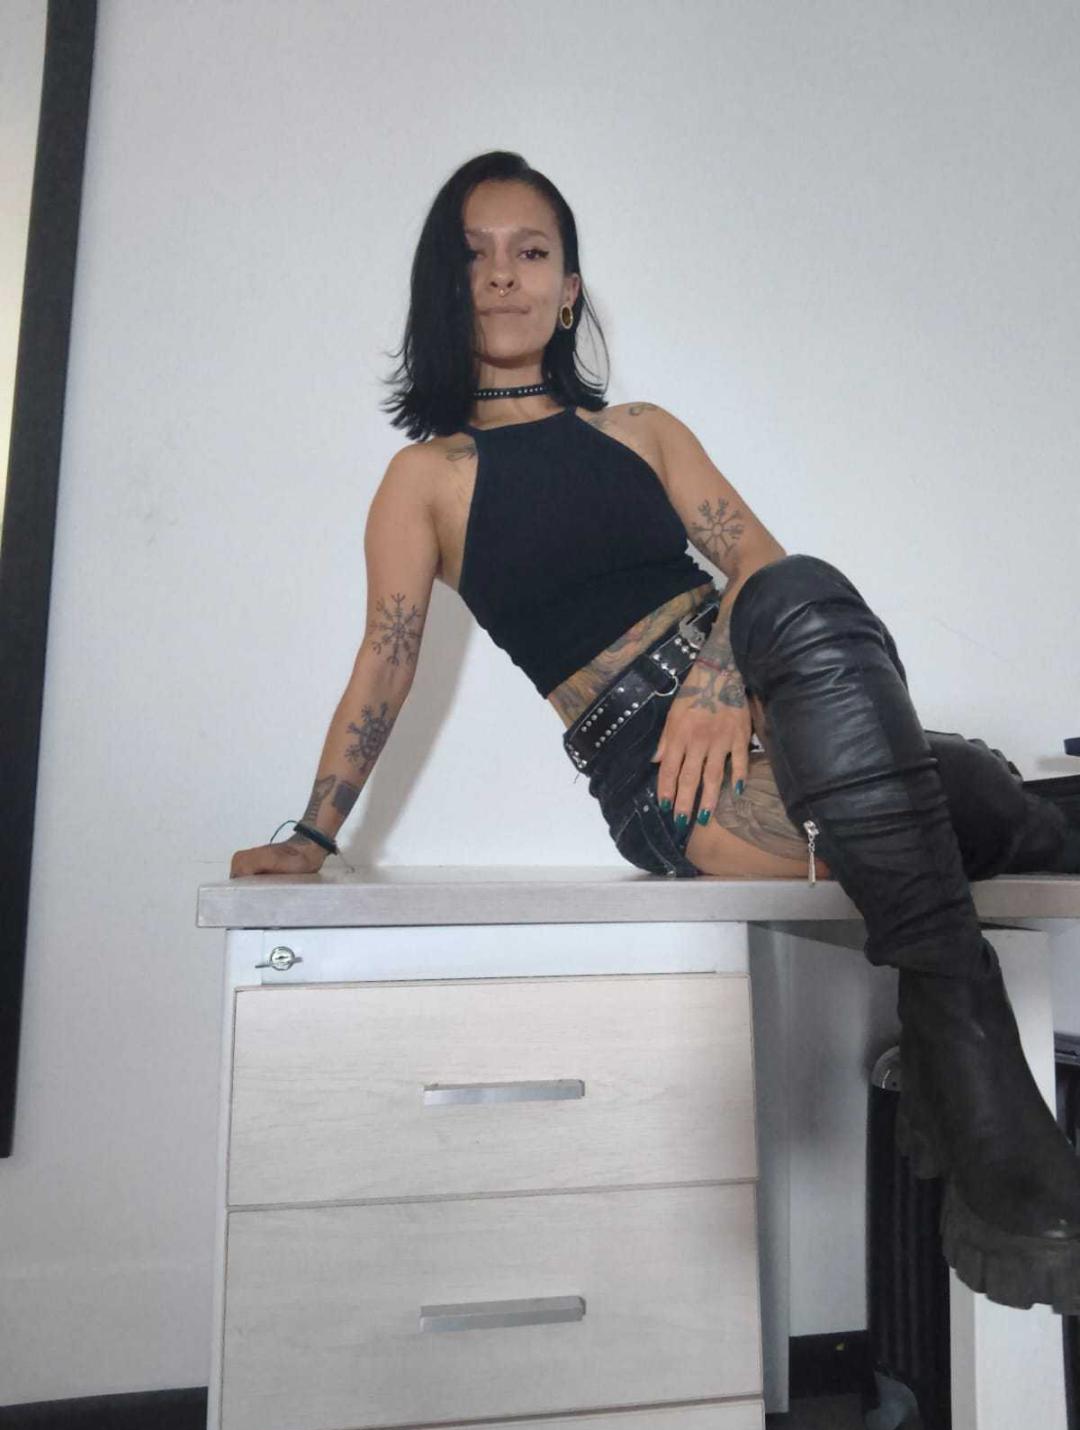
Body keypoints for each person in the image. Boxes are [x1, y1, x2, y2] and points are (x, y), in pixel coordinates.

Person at [230, 150, 1080, 1313]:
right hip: (664, 772)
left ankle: (953, 1035)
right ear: (444, 286)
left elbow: (763, 571)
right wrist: (314, 834)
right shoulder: (424, 477)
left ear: (569, 287)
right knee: (968, 797)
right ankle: (971, 1048)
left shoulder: (643, 431)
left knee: (842, 636)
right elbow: (387, 656)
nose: (504, 275)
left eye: (532, 252)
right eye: (474, 256)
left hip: (787, 708)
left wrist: (725, 671)